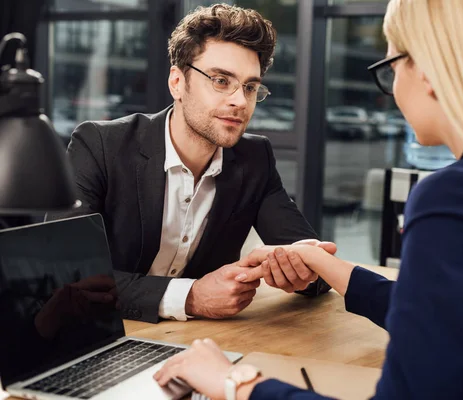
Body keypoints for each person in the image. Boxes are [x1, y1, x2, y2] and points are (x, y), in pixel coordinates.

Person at [153, 0, 463, 399]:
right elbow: (439, 316)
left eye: (392, 65)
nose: (393, 88)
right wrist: (332, 266)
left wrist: (235, 383)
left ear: (425, 69)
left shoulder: (459, 198)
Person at [46, 4, 335, 324]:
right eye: (221, 80)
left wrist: (298, 272)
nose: (240, 101)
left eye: (250, 87)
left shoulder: (255, 159)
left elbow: (318, 268)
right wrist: (191, 296)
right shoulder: (101, 145)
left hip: (195, 347)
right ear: (177, 82)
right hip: (100, 337)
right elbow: (63, 271)